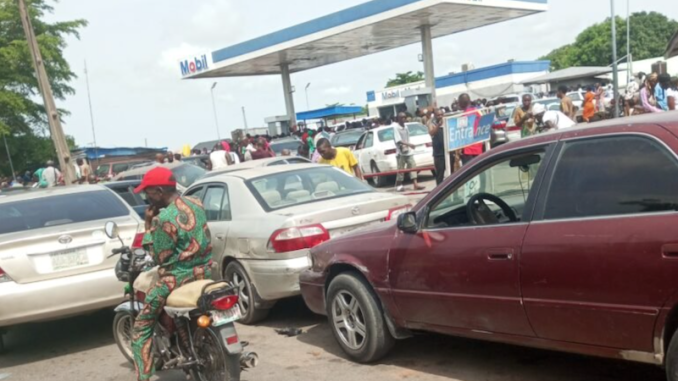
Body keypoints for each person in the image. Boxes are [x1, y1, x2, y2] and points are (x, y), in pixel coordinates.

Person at [131, 167, 213, 381]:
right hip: (206, 272)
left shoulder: (163, 218)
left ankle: (143, 376)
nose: (146, 197)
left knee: (141, 326)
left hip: (176, 279)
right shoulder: (196, 202)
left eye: (147, 193)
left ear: (158, 191)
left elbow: (158, 257)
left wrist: (148, 224)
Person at [393, 112, 425, 192]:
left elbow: (407, 137)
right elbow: (399, 141)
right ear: (398, 119)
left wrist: (408, 146)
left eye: (405, 117)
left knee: (412, 166)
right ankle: (399, 185)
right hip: (400, 152)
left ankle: (415, 184)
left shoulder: (406, 127)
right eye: (402, 118)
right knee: (401, 169)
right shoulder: (396, 128)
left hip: (408, 151)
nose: (404, 119)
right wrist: (409, 144)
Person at [457, 94, 483, 165]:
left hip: (468, 150)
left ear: (461, 103)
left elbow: (461, 134)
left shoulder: (464, 116)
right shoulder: (478, 112)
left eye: (458, 102)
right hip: (478, 147)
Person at [428, 107, 447, 186]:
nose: (440, 116)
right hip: (439, 154)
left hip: (448, 152)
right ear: (435, 116)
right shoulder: (431, 124)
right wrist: (438, 125)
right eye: (438, 115)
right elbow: (432, 133)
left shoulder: (446, 122)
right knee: (440, 175)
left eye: (441, 115)